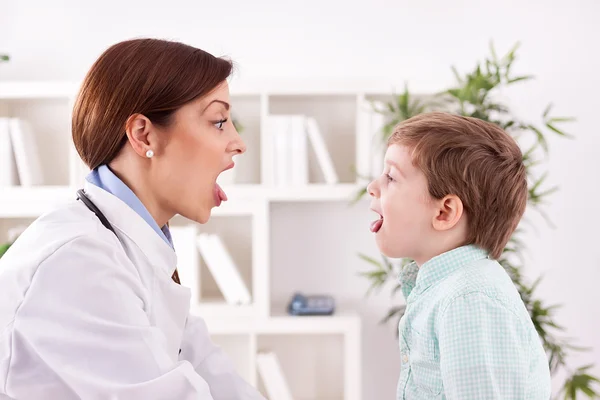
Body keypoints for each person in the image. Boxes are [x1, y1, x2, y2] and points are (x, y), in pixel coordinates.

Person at [0, 38, 265, 400]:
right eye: (219, 122)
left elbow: (213, 374)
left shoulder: (137, 248)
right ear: (143, 135)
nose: (238, 143)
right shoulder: (79, 260)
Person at [367, 112, 551, 399]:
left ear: (444, 212)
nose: (372, 187)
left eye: (391, 176)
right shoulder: (451, 291)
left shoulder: (468, 300)